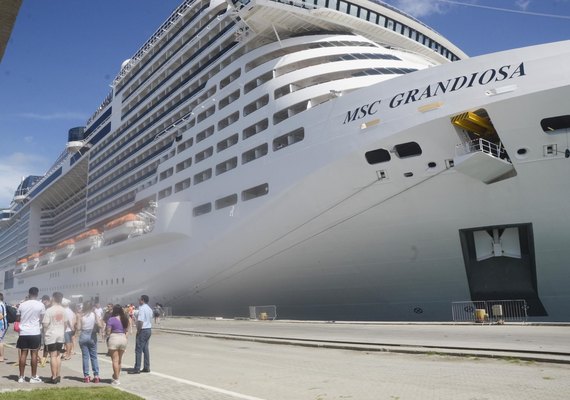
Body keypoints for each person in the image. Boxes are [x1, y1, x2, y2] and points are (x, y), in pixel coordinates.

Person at [16, 287, 46, 383]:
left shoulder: (22, 305)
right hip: (35, 332)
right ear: (37, 294)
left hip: (23, 332)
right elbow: (42, 318)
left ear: (29, 293)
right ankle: (33, 377)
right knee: (34, 354)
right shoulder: (40, 305)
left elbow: (17, 318)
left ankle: (21, 376)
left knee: (23, 354)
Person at [42, 292, 67, 384]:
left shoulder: (49, 310)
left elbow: (45, 324)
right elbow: (65, 323)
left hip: (51, 334)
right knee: (58, 356)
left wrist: (45, 333)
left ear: (53, 298)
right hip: (60, 334)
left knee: (52, 356)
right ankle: (58, 375)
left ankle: (53, 377)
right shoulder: (63, 310)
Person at [76, 301, 102, 383]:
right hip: (92, 335)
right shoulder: (94, 314)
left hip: (83, 335)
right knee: (94, 356)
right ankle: (96, 375)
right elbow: (100, 324)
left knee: (85, 357)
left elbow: (79, 327)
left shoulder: (81, 316)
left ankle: (86, 376)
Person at [106, 304, 129, 385]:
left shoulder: (111, 319)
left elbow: (108, 331)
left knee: (115, 360)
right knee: (119, 360)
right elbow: (126, 330)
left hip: (114, 337)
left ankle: (116, 378)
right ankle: (116, 376)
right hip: (123, 338)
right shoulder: (125, 319)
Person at [129, 295, 152, 374]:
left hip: (143, 330)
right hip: (148, 329)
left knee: (138, 350)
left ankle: (137, 368)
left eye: (139, 299)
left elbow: (141, 321)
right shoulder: (149, 308)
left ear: (142, 300)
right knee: (145, 349)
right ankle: (146, 367)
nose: (138, 301)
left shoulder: (142, 308)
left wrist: (138, 330)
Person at [39, 294, 51, 368]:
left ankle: (44, 359)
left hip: (48, 328)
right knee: (46, 344)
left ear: (46, 300)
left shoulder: (49, 308)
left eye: (43, 302)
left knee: (47, 344)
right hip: (46, 328)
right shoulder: (46, 307)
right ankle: (44, 359)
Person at [0, 293, 8, 362]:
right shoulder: (2, 304)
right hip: (2, 325)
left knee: (0, 341)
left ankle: (1, 357)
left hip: (1, 325)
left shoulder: (0, 305)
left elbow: (1, 316)